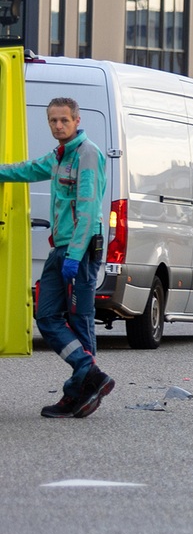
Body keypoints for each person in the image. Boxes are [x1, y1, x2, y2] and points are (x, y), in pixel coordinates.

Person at [0, 97, 112, 417]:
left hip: (78, 249)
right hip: (63, 248)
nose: (58, 126)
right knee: (49, 315)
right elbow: (28, 169)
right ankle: (88, 375)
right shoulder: (59, 156)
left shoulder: (87, 153)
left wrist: (74, 256)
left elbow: (89, 208)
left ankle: (78, 391)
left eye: (64, 120)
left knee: (77, 320)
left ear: (77, 120)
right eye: (53, 121)